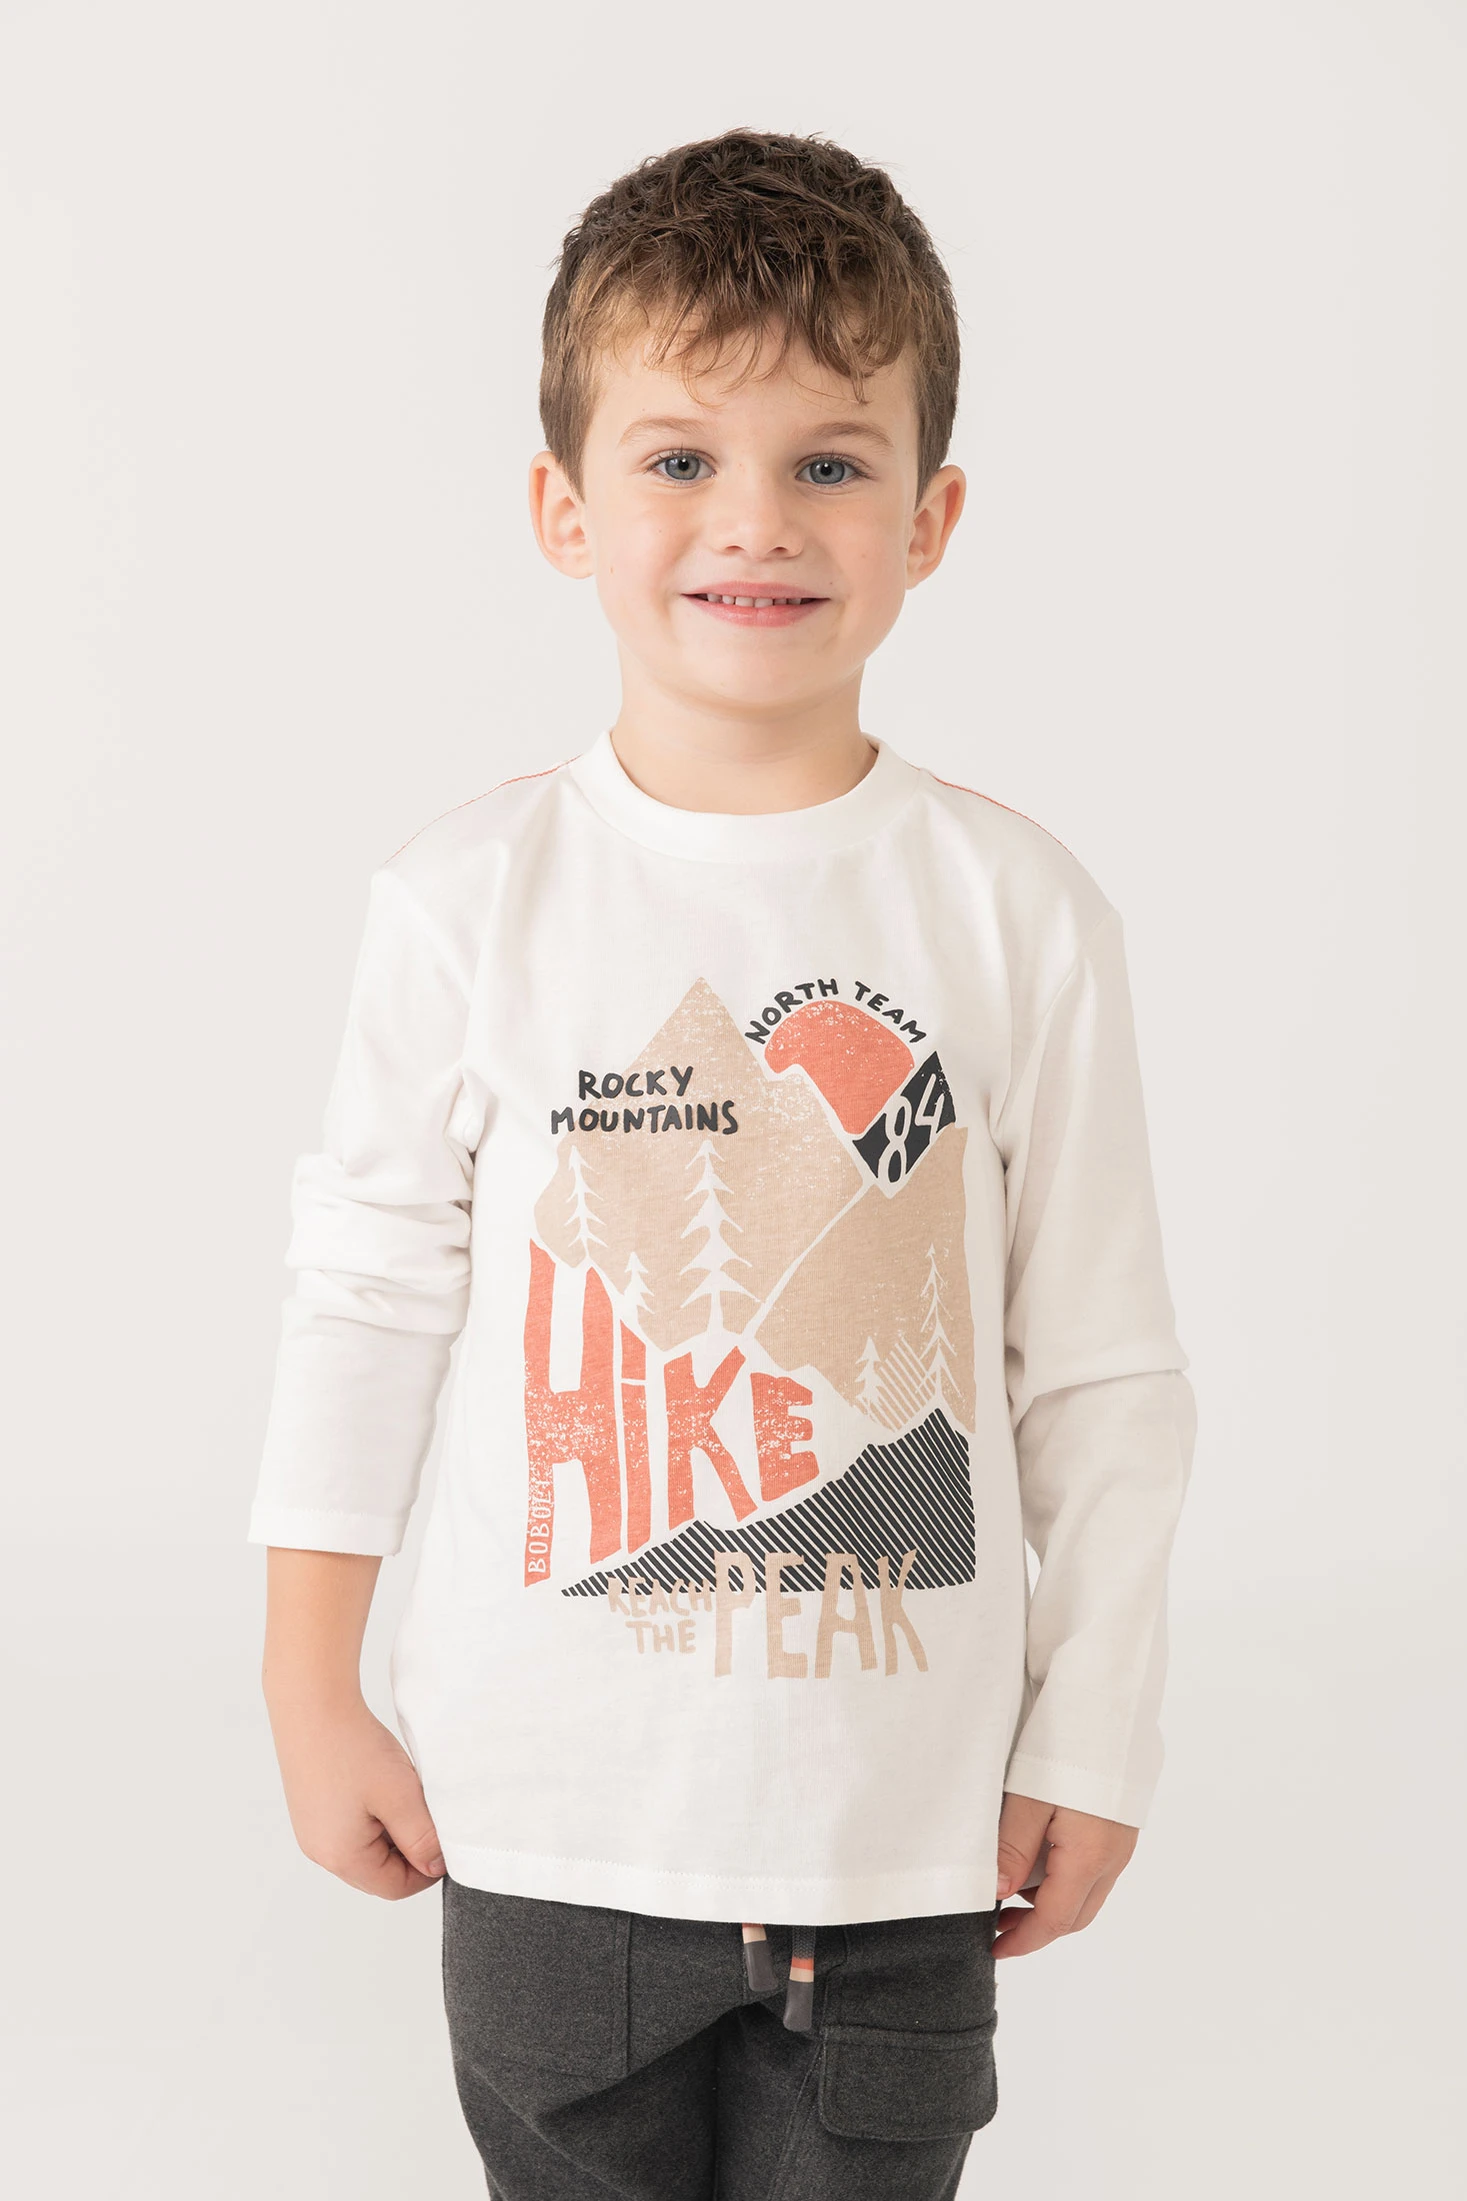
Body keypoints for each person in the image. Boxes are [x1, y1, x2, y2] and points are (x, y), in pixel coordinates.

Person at [251, 128, 1196, 2198]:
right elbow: (368, 1300)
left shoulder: (1017, 913)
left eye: (829, 462)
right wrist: (310, 1684)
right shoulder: (465, 900)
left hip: (898, 1844)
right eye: (679, 457)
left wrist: (1093, 1730)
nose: (754, 520)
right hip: (544, 1830)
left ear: (929, 517)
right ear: (563, 507)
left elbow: (1100, 1372)